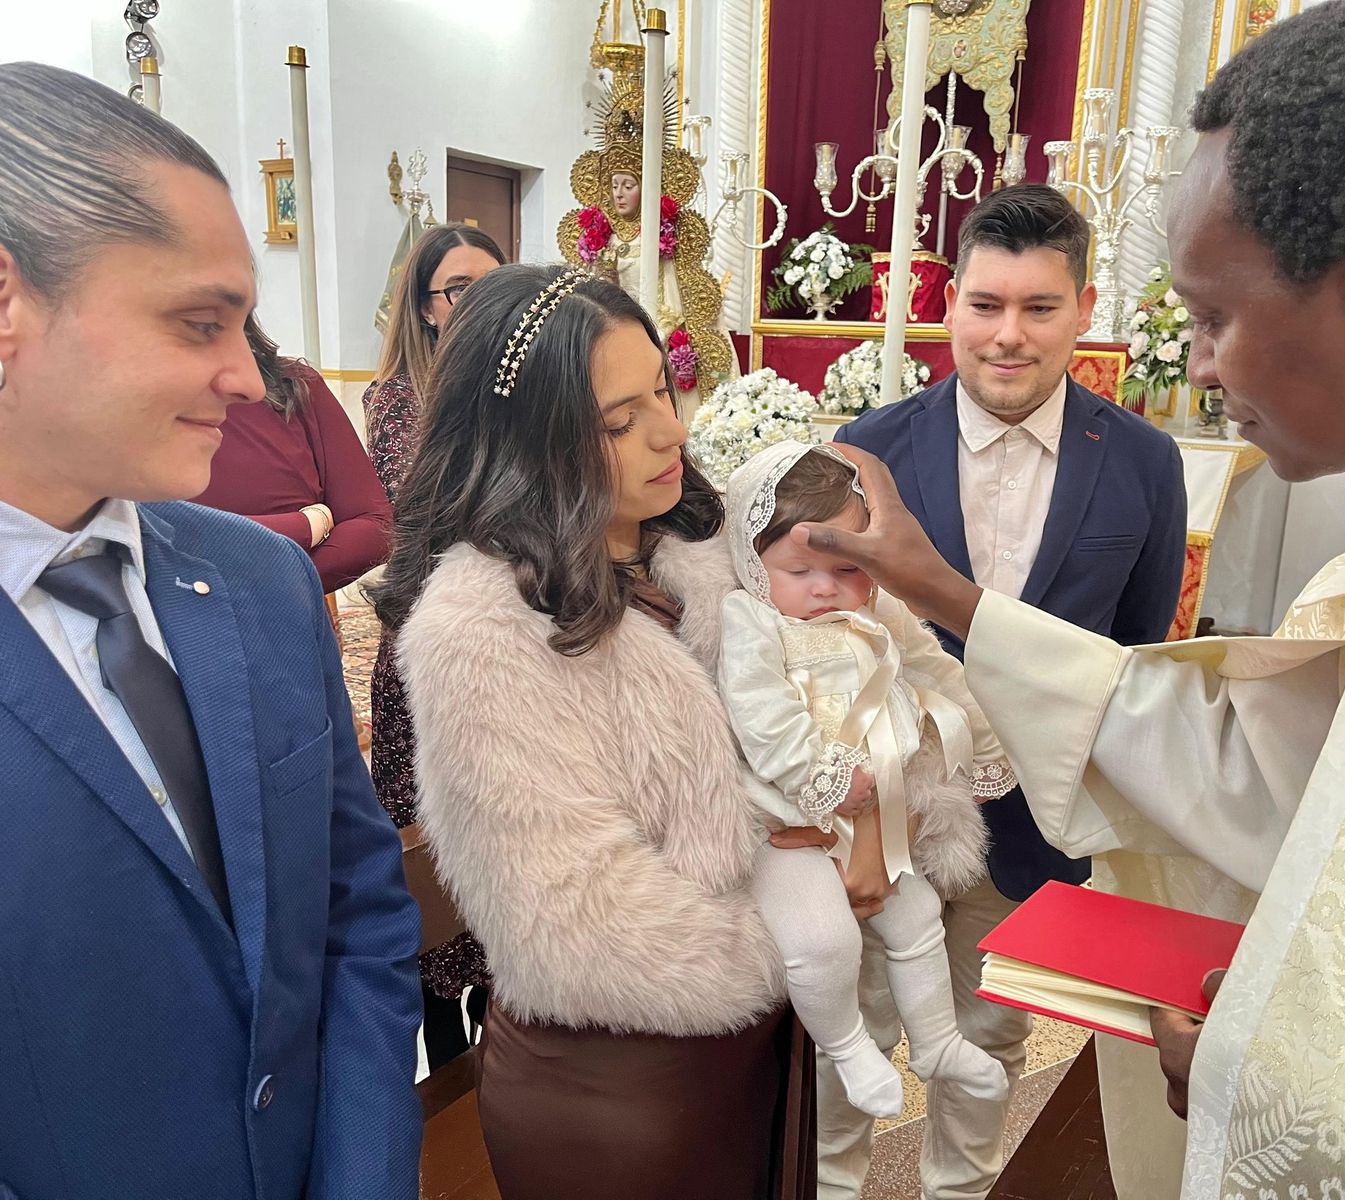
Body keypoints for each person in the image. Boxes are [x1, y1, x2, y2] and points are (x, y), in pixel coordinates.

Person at [796, 0, 1345, 1194]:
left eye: (1210, 315)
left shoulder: (1143, 458)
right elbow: (1272, 779)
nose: (1194, 363)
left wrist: (1265, 1063)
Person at [0, 45, 420, 1200]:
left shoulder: (258, 583)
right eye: (197, 323)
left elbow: (355, 912)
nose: (249, 380)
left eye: (244, 326)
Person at [374, 264, 814, 1198]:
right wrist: (803, 927)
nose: (671, 430)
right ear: (527, 446)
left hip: (760, 1036)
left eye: (661, 388)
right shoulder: (479, 630)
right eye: (618, 422)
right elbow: (572, 921)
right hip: (620, 1082)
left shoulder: (700, 548)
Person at [817, 183, 1188, 1200]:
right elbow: (822, 646)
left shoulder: (1145, 466)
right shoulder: (870, 446)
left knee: (983, 1046)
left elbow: (1133, 653)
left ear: (1083, 309)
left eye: (1037, 308)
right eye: (985, 305)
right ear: (948, 305)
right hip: (882, 818)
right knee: (850, 1043)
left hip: (1027, 821)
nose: (1007, 335)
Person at [720, 441, 1012, 1121]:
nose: (825, 588)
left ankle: (937, 1042)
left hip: (880, 803)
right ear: (753, 564)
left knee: (917, 918)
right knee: (823, 941)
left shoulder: (879, 613)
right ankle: (849, 1047)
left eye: (847, 568)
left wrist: (984, 749)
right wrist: (824, 778)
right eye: (800, 570)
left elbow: (937, 673)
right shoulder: (754, 621)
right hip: (790, 820)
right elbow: (761, 716)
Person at [362, 222, 502, 1066]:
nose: (475, 301)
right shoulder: (399, 401)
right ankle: (444, 1037)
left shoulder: (520, 389)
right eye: (458, 288)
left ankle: (501, 1020)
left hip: (505, 646)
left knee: (497, 826)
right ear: (425, 306)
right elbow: (423, 518)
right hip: (424, 648)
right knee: (429, 837)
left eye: (492, 283)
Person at [196, 314, 391, 593]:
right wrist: (307, 524)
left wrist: (282, 583)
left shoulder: (293, 384)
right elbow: (159, 531)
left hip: (291, 618)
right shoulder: (134, 410)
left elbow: (375, 525)